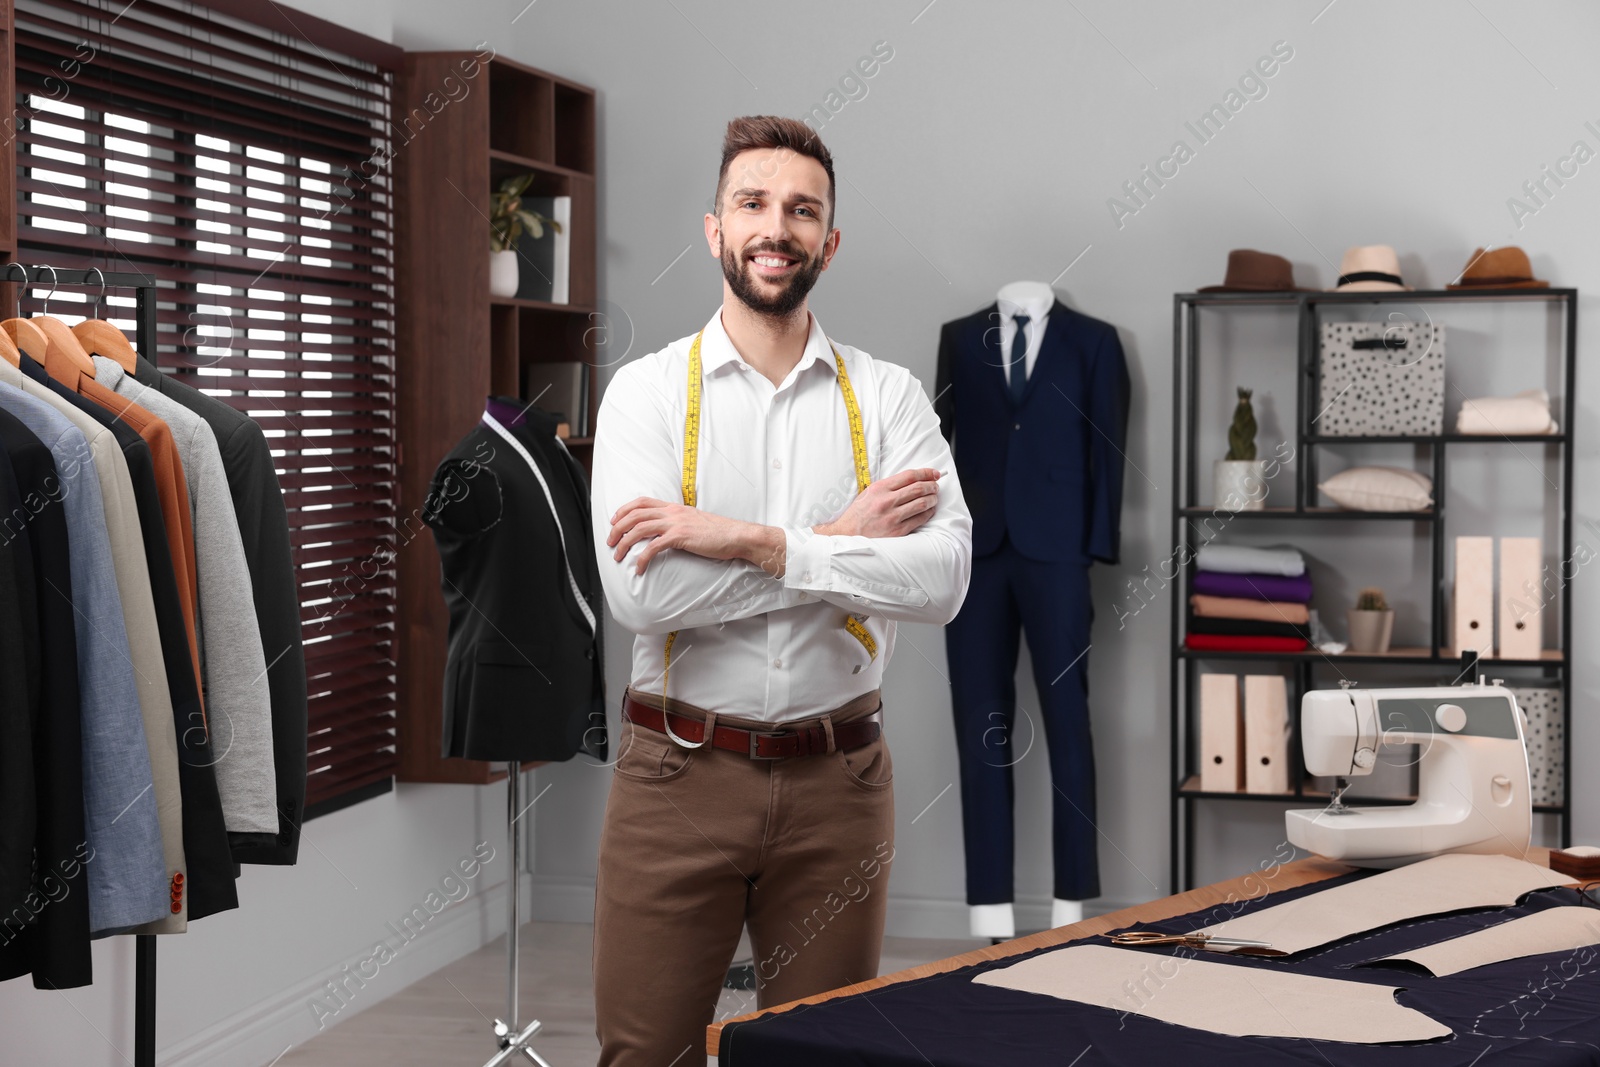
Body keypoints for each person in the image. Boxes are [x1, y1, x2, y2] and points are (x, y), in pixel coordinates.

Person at [588, 114, 973, 1066]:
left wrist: (750, 543)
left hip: (839, 784)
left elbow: (943, 580)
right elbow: (645, 597)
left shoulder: (888, 399)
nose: (778, 227)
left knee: (823, 1054)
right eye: (754, 204)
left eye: (803, 211)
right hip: (675, 775)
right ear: (714, 227)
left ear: (828, 244)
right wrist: (840, 542)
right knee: (646, 1056)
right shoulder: (643, 393)